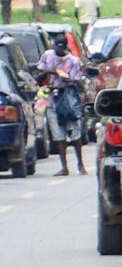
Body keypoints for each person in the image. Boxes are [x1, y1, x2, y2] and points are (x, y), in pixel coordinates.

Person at [36, 35, 86, 176]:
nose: (58, 50)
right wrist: (48, 72)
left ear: (65, 47)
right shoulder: (47, 56)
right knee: (59, 135)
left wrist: (62, 77)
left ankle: (80, 164)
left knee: (75, 133)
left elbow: (76, 81)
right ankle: (64, 167)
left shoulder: (73, 61)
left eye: (61, 47)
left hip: (68, 101)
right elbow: (38, 78)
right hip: (52, 101)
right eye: (56, 47)